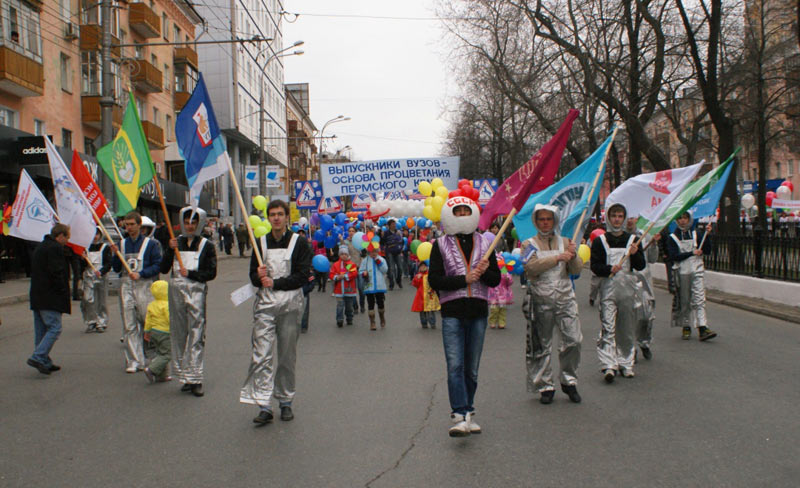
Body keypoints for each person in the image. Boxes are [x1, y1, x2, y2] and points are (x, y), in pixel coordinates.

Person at [429, 196, 500, 437]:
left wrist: (484, 271)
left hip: (478, 312)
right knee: (455, 365)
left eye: (465, 211)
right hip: (452, 313)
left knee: (472, 368)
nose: (461, 216)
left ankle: (469, 411)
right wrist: (464, 279)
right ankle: (458, 414)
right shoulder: (439, 245)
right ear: (450, 215)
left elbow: (496, 279)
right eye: (457, 212)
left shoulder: (486, 243)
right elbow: (435, 279)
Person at [241, 199, 312, 425]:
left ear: (286, 217)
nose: (277, 218)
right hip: (265, 306)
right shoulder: (260, 242)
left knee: (286, 356)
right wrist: (258, 275)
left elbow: (303, 275)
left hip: (290, 305)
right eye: (272, 214)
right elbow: (253, 276)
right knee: (261, 353)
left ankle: (285, 401)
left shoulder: (299, 243)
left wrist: (277, 282)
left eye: (280, 214)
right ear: (268, 217)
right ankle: (264, 404)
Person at [522, 204, 584, 404]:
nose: (545, 223)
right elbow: (530, 268)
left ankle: (569, 380)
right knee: (542, 343)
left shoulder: (566, 242)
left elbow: (576, 269)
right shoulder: (528, 244)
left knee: (573, 340)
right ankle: (545, 385)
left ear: (555, 220)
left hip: (566, 297)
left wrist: (573, 256)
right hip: (541, 298)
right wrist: (557, 258)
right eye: (541, 219)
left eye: (549, 219)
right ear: (536, 221)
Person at [160, 207, 217, 397]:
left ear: (199, 223)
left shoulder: (206, 245)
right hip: (176, 291)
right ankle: (184, 376)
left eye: (193, 222)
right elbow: (164, 267)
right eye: (186, 223)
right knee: (179, 333)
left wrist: (191, 274)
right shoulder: (175, 243)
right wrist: (169, 249)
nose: (190, 226)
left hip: (196, 292)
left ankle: (196, 378)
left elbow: (211, 272)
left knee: (196, 334)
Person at [590, 203, 646, 383]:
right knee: (608, 326)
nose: (616, 219)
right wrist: (608, 269)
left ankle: (626, 362)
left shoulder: (634, 241)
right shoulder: (600, 241)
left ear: (624, 218)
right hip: (608, 289)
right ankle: (608, 364)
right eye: (613, 215)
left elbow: (640, 265)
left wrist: (636, 254)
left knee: (626, 328)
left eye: (620, 216)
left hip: (628, 290)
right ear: (608, 218)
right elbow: (595, 266)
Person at [111, 211, 162, 373]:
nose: (129, 227)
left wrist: (142, 273)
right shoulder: (121, 244)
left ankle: (152, 356)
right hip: (126, 285)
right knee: (129, 324)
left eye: (132, 224)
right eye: (126, 224)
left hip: (144, 285)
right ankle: (134, 360)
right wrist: (115, 255)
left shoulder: (151, 244)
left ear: (140, 225)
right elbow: (117, 268)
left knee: (147, 323)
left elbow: (157, 265)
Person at [27, 224, 71, 375]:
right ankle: (39, 356)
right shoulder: (55, 248)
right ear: (61, 236)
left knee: (41, 330)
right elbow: (56, 272)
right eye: (67, 238)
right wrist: (63, 290)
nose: (67, 241)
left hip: (37, 295)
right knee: (54, 327)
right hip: (50, 296)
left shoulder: (41, 246)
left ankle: (44, 359)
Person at [667, 210, 716, 341]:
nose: (683, 220)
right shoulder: (673, 237)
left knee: (699, 298)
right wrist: (691, 253)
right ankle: (686, 325)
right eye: (680, 218)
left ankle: (702, 326)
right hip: (682, 271)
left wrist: (708, 236)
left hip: (697, 269)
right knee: (685, 300)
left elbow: (707, 250)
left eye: (685, 218)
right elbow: (673, 256)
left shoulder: (697, 234)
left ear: (689, 219)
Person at [626, 215, 660, 360]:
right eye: (626, 217)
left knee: (646, 315)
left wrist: (653, 245)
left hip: (643, 280)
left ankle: (644, 341)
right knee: (628, 315)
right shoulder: (619, 237)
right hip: (626, 280)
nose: (629, 220)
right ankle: (630, 347)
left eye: (632, 217)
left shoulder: (644, 236)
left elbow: (652, 259)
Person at [80, 229, 112, 333]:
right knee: (88, 299)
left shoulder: (105, 247)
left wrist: (102, 271)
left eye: (97, 234)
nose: (95, 237)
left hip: (101, 277)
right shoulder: (86, 248)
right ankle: (91, 321)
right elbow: (81, 266)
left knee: (101, 300)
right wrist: (83, 259)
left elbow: (108, 263)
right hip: (88, 277)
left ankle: (101, 322)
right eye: (93, 234)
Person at [143, 280, 172, 384]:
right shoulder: (167, 305)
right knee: (167, 354)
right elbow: (170, 319)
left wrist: (147, 331)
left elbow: (148, 320)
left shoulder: (152, 305)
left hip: (154, 332)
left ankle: (162, 376)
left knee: (160, 352)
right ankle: (151, 369)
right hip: (165, 332)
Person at [359, 241, 389, 331]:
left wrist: (378, 261)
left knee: (380, 303)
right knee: (370, 304)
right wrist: (363, 273)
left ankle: (382, 317)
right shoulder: (365, 260)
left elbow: (385, 270)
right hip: (369, 286)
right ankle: (372, 322)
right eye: (372, 251)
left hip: (379, 286)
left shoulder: (381, 259)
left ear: (378, 251)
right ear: (369, 251)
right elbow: (360, 271)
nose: (373, 253)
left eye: (375, 251)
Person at [329, 245, 358, 327]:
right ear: (339, 255)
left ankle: (349, 318)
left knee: (349, 306)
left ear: (348, 255)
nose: (344, 255)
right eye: (342, 254)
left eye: (345, 254)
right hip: (338, 289)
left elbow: (354, 273)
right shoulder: (336, 265)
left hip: (349, 289)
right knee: (340, 305)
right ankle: (339, 319)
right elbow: (331, 274)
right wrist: (336, 277)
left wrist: (345, 276)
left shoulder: (350, 264)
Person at [411, 261, 440, 329]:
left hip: (430, 295)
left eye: (424, 266)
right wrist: (418, 278)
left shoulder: (429, 275)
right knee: (422, 312)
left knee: (431, 310)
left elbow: (434, 283)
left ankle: (432, 323)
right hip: (421, 296)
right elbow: (415, 284)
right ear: (419, 268)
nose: (423, 267)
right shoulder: (418, 276)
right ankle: (424, 323)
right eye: (421, 266)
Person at [488, 259, 514, 330]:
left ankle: (501, 323)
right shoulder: (492, 272)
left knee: (503, 310)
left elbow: (510, 281)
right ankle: (492, 321)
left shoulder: (505, 271)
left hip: (503, 294)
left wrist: (507, 279)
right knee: (494, 310)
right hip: (494, 294)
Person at [345, 226, 366, 313]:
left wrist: (363, 250)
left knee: (361, 288)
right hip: (351, 268)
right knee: (353, 289)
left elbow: (365, 254)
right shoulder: (346, 242)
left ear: (356, 232)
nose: (351, 232)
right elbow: (344, 256)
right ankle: (355, 306)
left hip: (360, 267)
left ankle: (362, 305)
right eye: (349, 231)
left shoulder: (360, 241)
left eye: (353, 231)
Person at [383, 219, 404, 289]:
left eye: (394, 224)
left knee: (400, 268)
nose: (394, 225)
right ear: (389, 226)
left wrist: (400, 249)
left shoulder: (398, 232)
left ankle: (398, 281)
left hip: (397, 252)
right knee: (391, 268)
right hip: (389, 252)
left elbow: (402, 241)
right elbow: (383, 242)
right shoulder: (386, 233)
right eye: (392, 224)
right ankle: (391, 284)